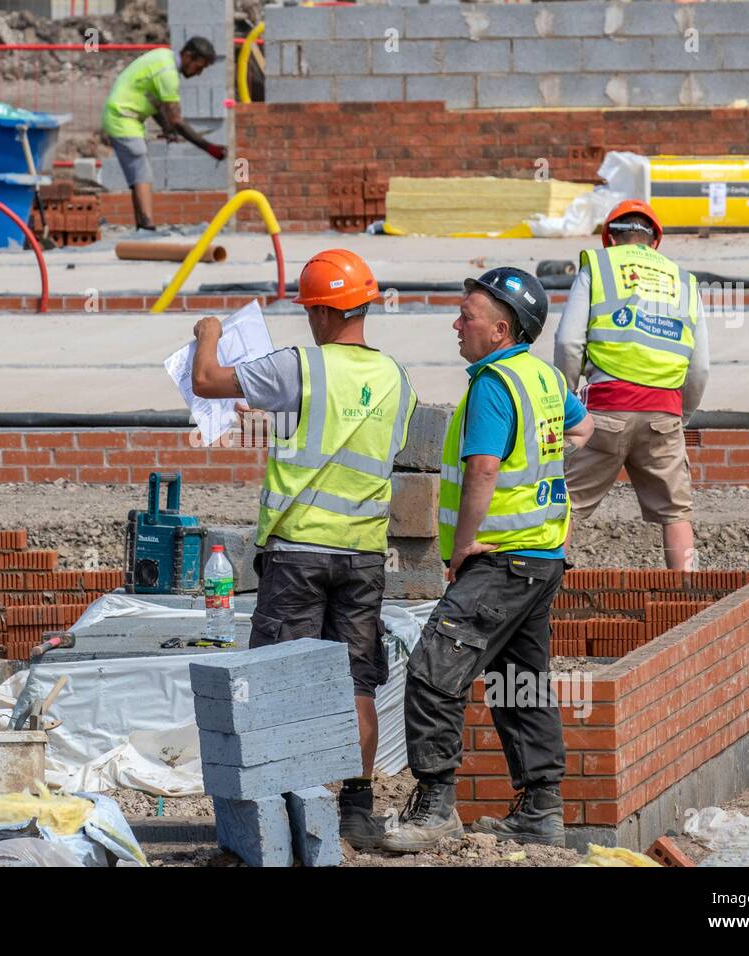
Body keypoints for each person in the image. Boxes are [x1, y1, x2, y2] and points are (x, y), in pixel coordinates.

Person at [190, 249, 418, 849]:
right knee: (357, 683)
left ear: (320, 311)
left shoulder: (301, 367)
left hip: (298, 551)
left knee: (279, 677)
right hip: (364, 554)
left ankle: (286, 811)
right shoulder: (398, 376)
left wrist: (208, 333)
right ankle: (356, 810)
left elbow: (206, 380)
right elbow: (354, 431)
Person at [381, 268, 593, 853]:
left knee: (431, 670)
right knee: (516, 681)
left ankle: (435, 807)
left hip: (500, 559)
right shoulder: (543, 376)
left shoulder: (495, 384)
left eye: (467, 316)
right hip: (542, 555)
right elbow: (585, 429)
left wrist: (462, 545)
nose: (457, 324)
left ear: (501, 329)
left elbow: (484, 469)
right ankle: (541, 811)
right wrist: (547, 488)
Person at [554, 200, 709, 571]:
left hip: (604, 410)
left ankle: (540, 600)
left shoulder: (599, 265)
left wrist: (565, 405)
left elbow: (567, 342)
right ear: (655, 240)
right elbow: (700, 366)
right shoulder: (683, 280)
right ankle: (687, 601)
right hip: (664, 413)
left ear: (610, 238)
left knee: (565, 504)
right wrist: (680, 415)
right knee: (675, 512)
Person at [101, 37, 226, 231]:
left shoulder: (163, 57)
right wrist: (209, 148)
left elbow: (155, 102)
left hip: (123, 116)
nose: (199, 73)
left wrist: (166, 128)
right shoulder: (168, 74)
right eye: (199, 66)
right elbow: (177, 120)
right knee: (141, 172)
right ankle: (147, 227)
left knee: (139, 174)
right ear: (188, 56)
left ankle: (142, 227)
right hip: (122, 117)